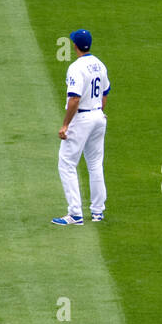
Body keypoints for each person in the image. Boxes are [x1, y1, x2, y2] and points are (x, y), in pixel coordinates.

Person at [52, 28, 110, 225]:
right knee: (95, 163)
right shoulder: (99, 65)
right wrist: (99, 110)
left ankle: (75, 213)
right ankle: (97, 211)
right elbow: (105, 92)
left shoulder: (76, 68)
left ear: (75, 45)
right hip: (98, 117)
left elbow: (74, 99)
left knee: (66, 163)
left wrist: (65, 125)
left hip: (82, 118)